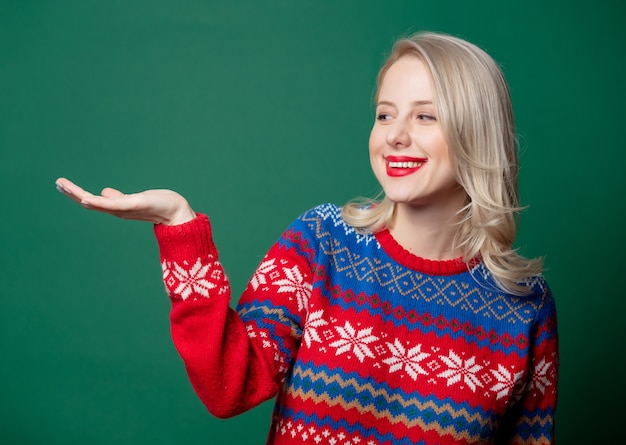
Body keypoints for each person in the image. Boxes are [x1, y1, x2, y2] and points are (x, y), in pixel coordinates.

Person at [56, 31, 558, 445]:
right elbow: (230, 385)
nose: (395, 135)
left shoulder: (525, 305)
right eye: (385, 114)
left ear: (477, 132)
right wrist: (179, 227)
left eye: (425, 116)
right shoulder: (324, 241)